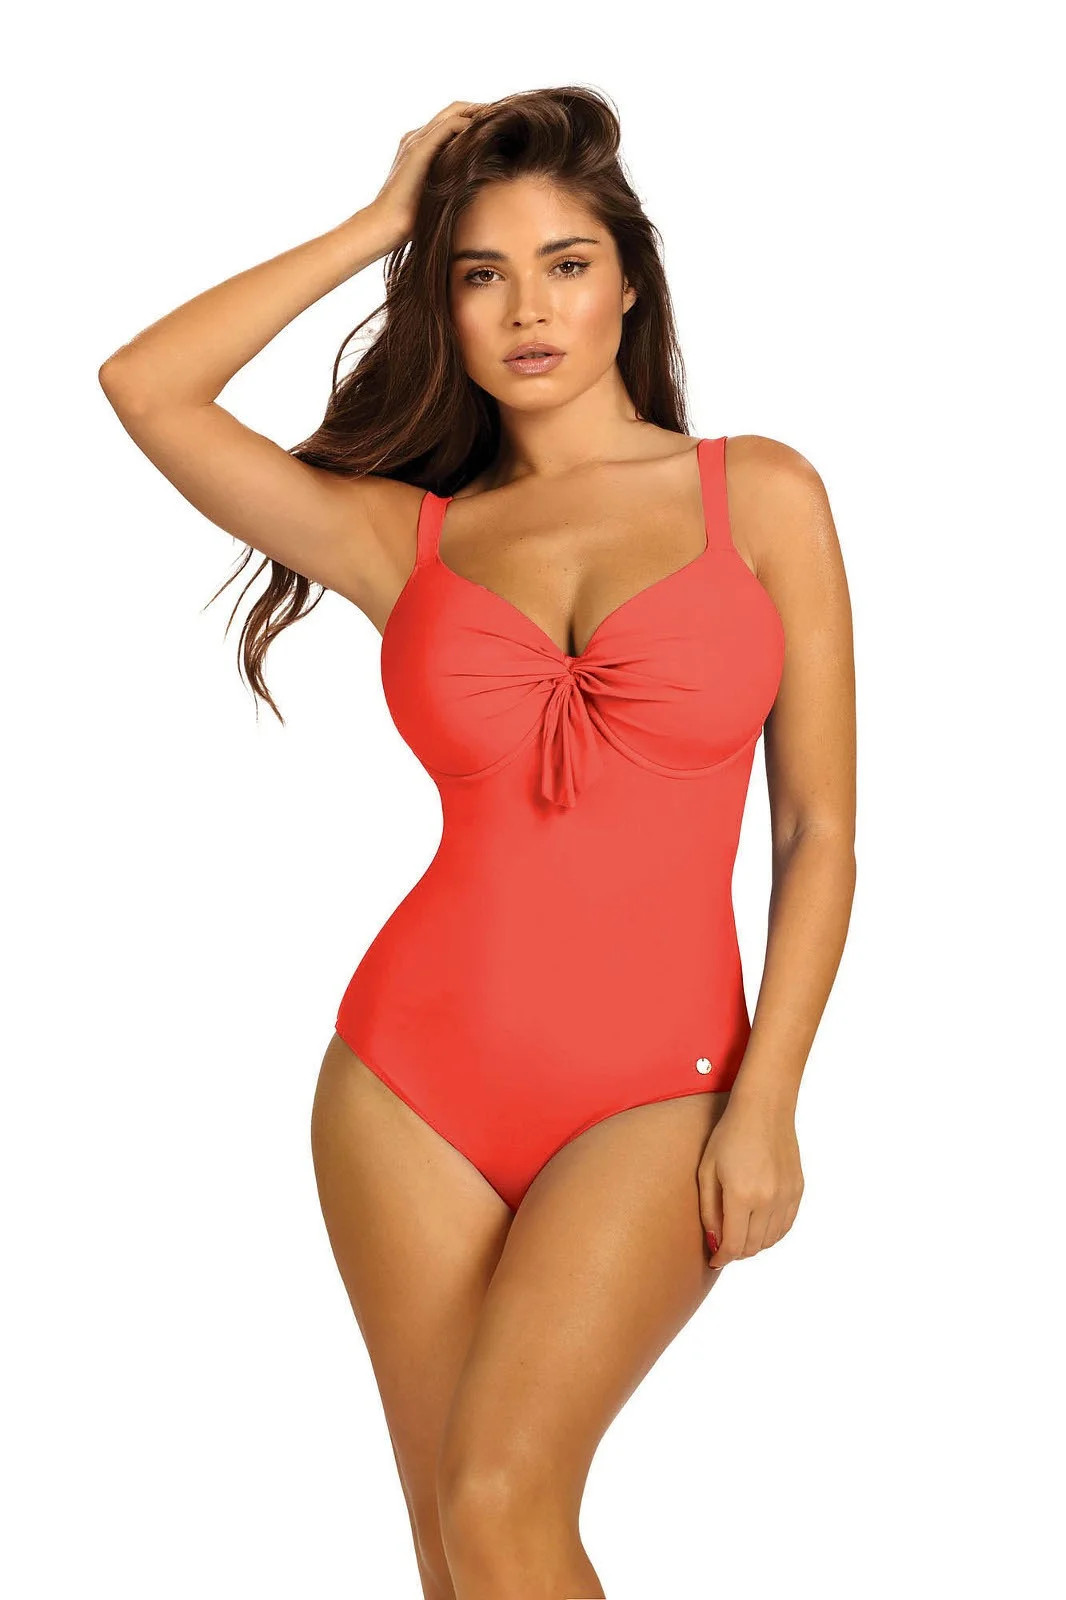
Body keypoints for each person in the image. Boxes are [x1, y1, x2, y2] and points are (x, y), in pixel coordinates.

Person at [100, 85, 856, 1600]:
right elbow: (146, 387)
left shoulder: (757, 495)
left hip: (662, 1085)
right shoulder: (409, 539)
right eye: (479, 273)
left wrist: (770, 1098)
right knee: (457, 1545)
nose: (526, 309)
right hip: (408, 1083)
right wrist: (383, 220)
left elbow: (817, 826)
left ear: (628, 282)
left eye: (565, 265)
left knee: (504, 1498)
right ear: (441, 303)